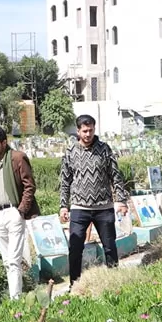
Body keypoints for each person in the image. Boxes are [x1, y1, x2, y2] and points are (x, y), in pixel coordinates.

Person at [59, 115, 128, 290]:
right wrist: (63, 206)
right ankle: (75, 285)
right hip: (79, 208)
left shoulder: (104, 149)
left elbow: (115, 176)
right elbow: (65, 181)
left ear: (94, 129)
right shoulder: (70, 152)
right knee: (75, 249)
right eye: (84, 131)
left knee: (110, 247)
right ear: (78, 131)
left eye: (91, 130)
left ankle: (114, 283)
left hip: (103, 207)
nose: (88, 134)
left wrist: (121, 200)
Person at [0, 126, 40, 300]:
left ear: (4, 142)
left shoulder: (17, 158)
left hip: (14, 212)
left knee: (14, 260)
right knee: (7, 260)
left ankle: (15, 299)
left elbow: (29, 186)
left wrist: (21, 210)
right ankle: (15, 296)